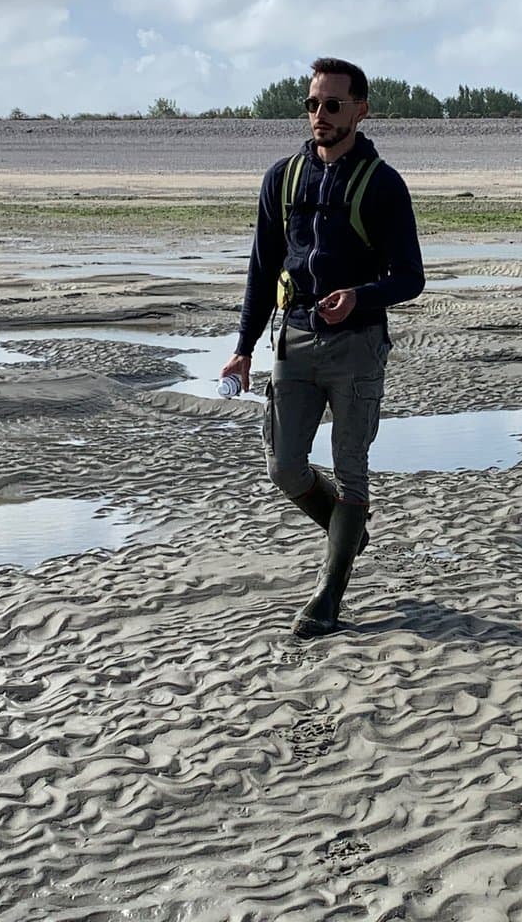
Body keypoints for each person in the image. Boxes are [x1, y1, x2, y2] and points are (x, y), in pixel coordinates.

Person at [221, 57, 424, 638]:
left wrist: (360, 297)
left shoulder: (383, 183)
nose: (320, 116)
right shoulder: (281, 178)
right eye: (312, 104)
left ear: (361, 110)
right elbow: (261, 271)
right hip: (294, 338)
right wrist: (244, 348)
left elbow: (409, 277)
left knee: (350, 470)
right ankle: (346, 528)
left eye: (332, 105)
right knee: (285, 466)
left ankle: (328, 599)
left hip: (357, 345)